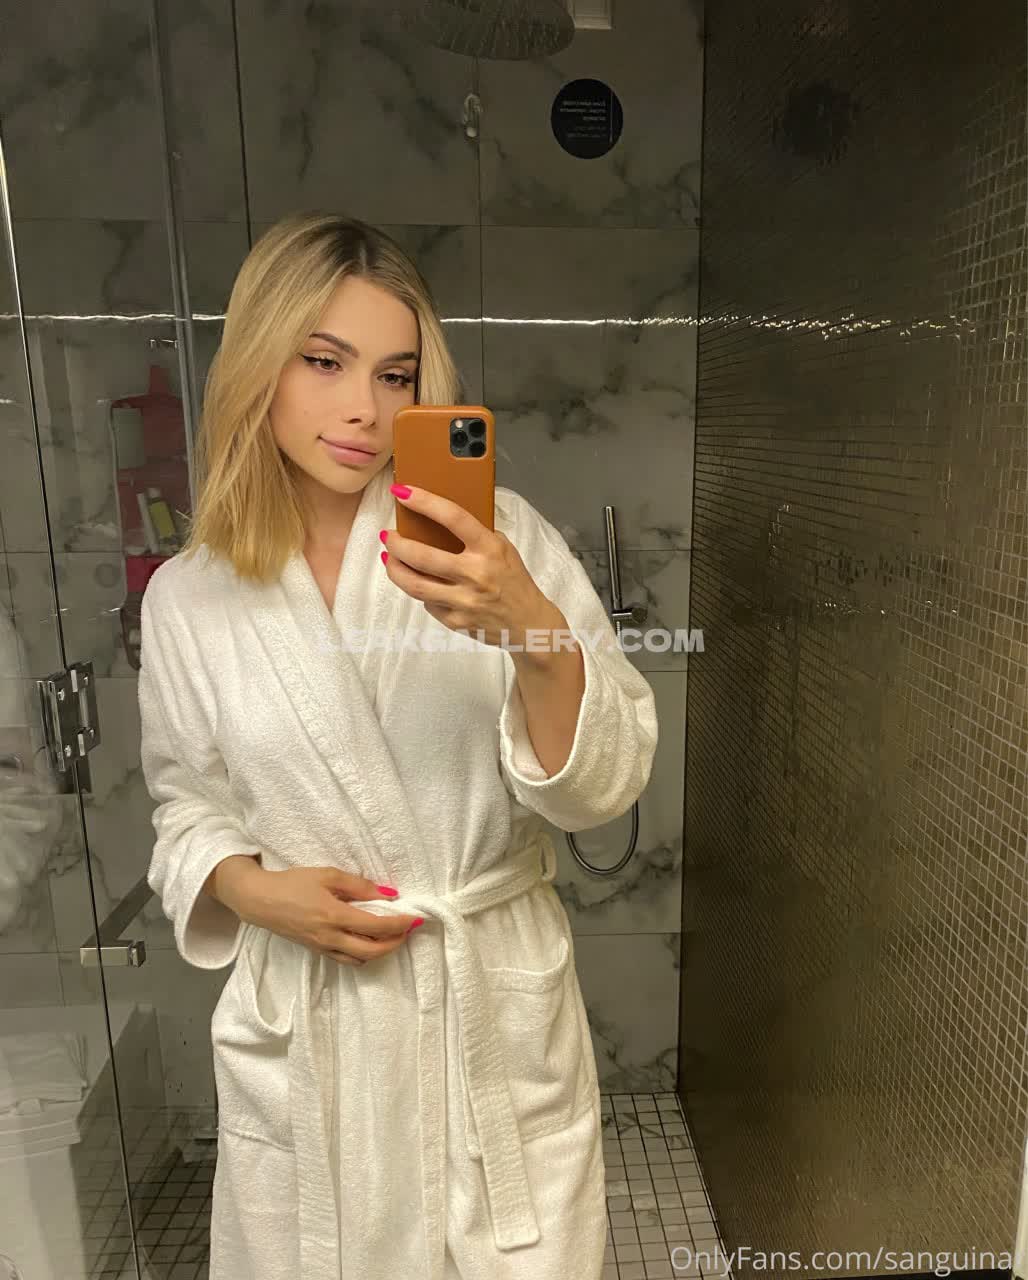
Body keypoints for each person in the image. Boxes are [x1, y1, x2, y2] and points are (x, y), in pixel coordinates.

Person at [138, 211, 658, 1280]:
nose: (363, 410)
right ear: (259, 363)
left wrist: (532, 630)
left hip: (486, 1014)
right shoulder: (191, 595)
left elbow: (602, 787)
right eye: (324, 361)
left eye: (395, 374)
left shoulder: (500, 541)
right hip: (314, 1033)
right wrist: (253, 891)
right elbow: (186, 804)